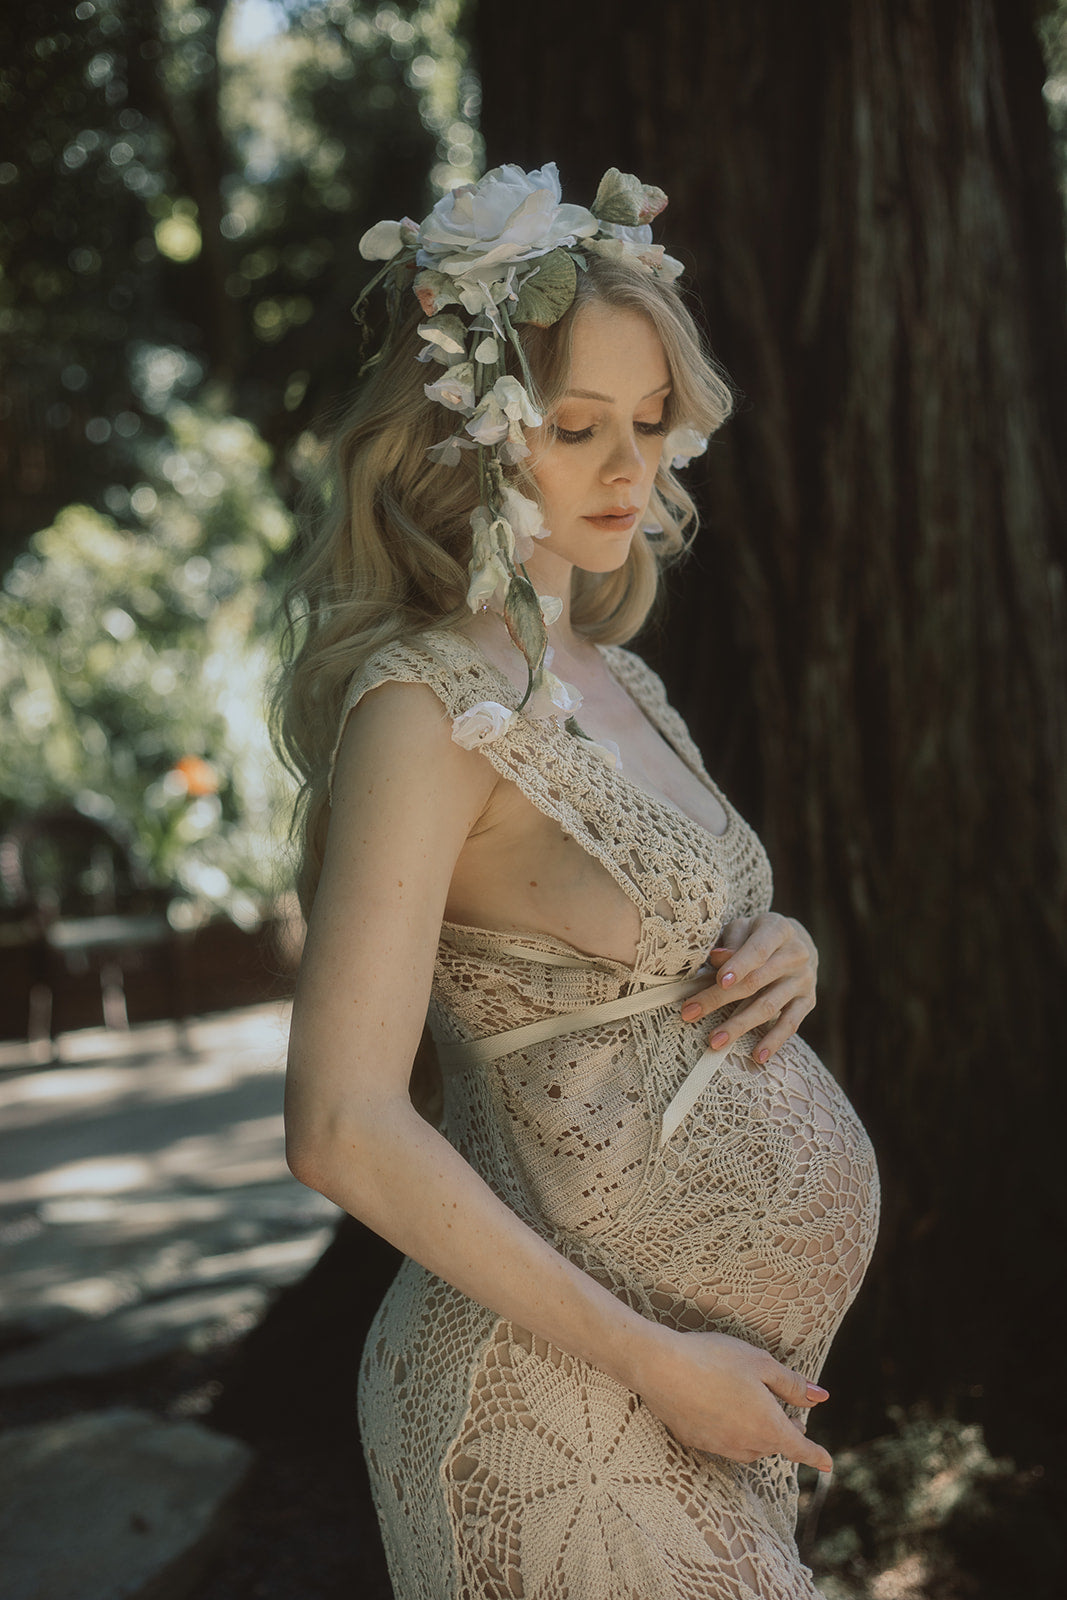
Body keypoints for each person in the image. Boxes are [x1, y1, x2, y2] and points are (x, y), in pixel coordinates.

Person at [279, 162, 880, 1600]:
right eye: (578, 427)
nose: (631, 470)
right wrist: (654, 1365)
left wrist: (782, 938)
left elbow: (659, 931)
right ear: (475, 428)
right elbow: (341, 1126)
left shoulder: (620, 679)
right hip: (558, 1401)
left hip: (694, 1399)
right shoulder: (421, 709)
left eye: (653, 426)